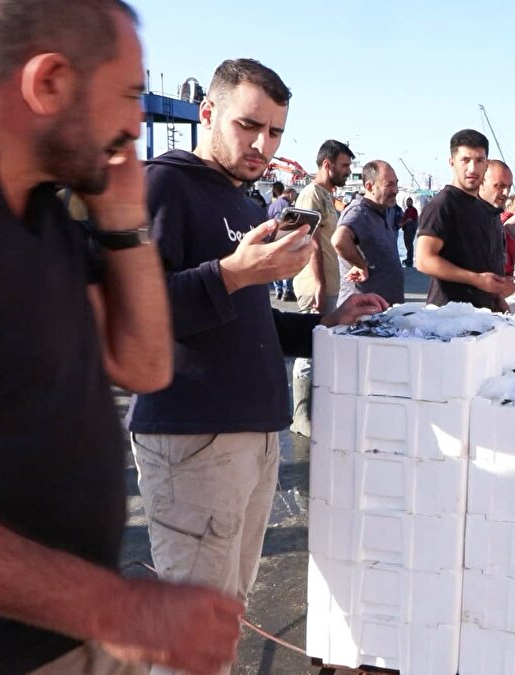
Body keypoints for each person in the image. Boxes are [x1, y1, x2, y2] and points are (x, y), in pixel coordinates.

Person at [0, 2, 250, 673]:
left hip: (76, 633)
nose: (136, 120)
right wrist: (109, 606)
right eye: (125, 94)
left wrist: (122, 219)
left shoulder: (36, 201)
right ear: (49, 82)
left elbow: (143, 363)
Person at [129, 59, 389, 673]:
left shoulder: (246, 206)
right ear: (208, 112)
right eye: (250, 126)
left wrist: (321, 324)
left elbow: (248, 318)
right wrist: (233, 272)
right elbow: (133, 314)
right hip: (192, 436)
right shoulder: (162, 185)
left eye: (275, 132)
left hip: (252, 436)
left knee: (223, 618)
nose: (262, 145)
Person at [288, 139, 355, 437]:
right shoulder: (311, 195)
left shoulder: (328, 196)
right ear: (327, 165)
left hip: (329, 282)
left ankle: (316, 410)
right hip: (316, 283)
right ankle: (301, 417)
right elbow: (309, 240)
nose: (348, 171)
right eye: (344, 166)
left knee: (322, 347)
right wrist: (318, 283)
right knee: (308, 349)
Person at [416, 129, 514, 310]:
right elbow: (423, 260)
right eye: (465, 160)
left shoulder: (482, 209)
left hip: (480, 317)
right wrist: (477, 280)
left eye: (479, 161)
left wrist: (496, 297)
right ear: (452, 162)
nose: (473, 168)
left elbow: (480, 263)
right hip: (448, 318)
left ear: (487, 164)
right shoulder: (442, 205)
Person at [334, 160, 403, 305]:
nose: (395, 190)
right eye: (389, 185)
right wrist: (360, 265)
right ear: (369, 186)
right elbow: (339, 240)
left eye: (396, 183)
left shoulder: (384, 210)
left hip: (384, 310)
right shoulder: (358, 212)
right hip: (363, 313)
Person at [401, 196, 419, 266]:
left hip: (411, 229)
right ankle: (408, 258)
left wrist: (403, 224)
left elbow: (410, 219)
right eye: (407, 201)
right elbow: (404, 218)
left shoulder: (413, 210)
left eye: (409, 201)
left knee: (409, 244)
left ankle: (410, 259)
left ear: (412, 202)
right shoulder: (407, 210)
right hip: (406, 229)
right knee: (407, 244)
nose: (408, 202)